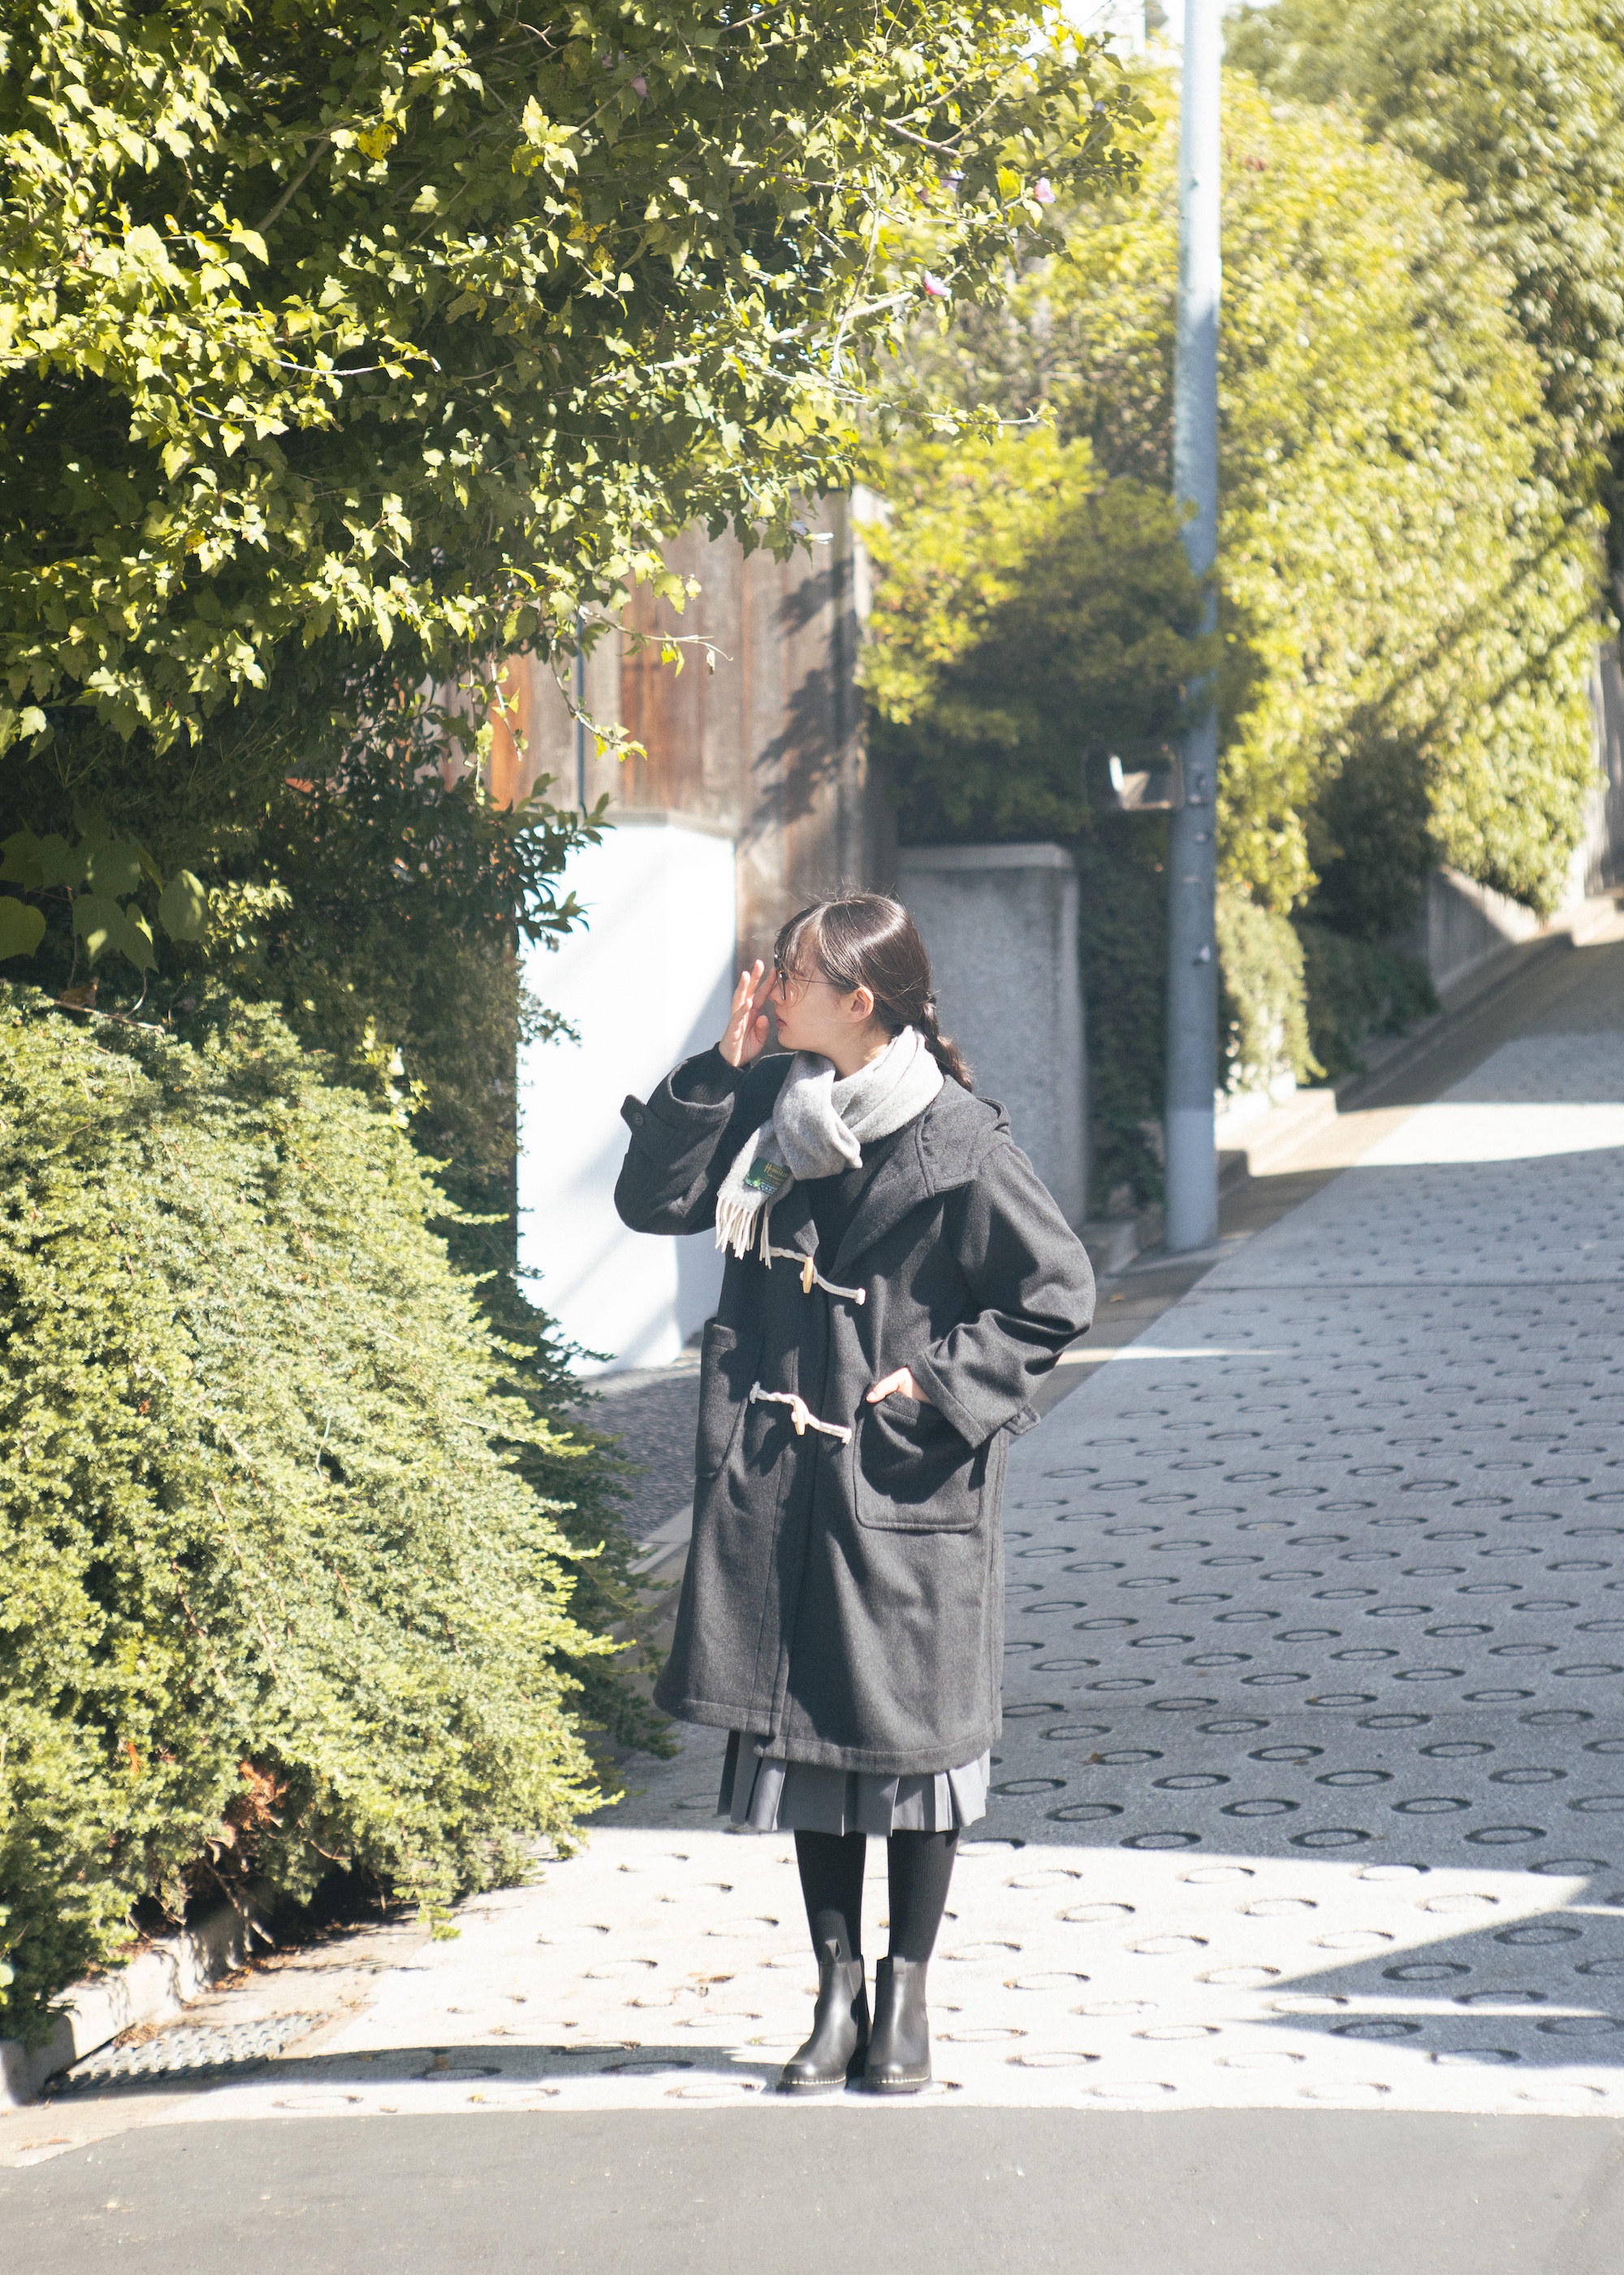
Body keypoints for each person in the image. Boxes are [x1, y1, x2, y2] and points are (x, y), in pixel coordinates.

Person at [615, 893, 1095, 2092]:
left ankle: (907, 1993)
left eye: (793, 974)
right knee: (808, 1747)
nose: (771, 987)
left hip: (903, 1478)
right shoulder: (773, 1116)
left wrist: (935, 1386)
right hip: (784, 1479)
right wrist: (720, 1072)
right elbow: (652, 1203)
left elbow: (1056, 1290)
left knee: (916, 1751)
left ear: (860, 999)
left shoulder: (959, 1138)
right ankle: (836, 1995)